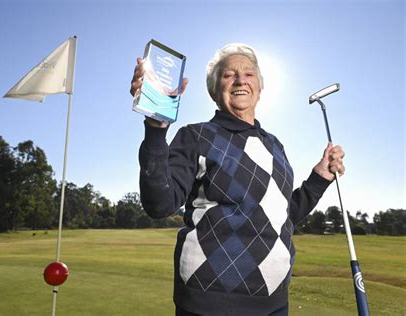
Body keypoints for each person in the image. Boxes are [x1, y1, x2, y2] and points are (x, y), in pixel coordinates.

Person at [130, 43, 345, 316]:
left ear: (260, 87)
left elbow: (282, 216)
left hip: (275, 300)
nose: (241, 80)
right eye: (229, 74)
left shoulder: (275, 146)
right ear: (214, 89)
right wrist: (156, 129)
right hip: (210, 303)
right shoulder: (196, 136)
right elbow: (159, 203)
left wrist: (319, 178)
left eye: (249, 74)